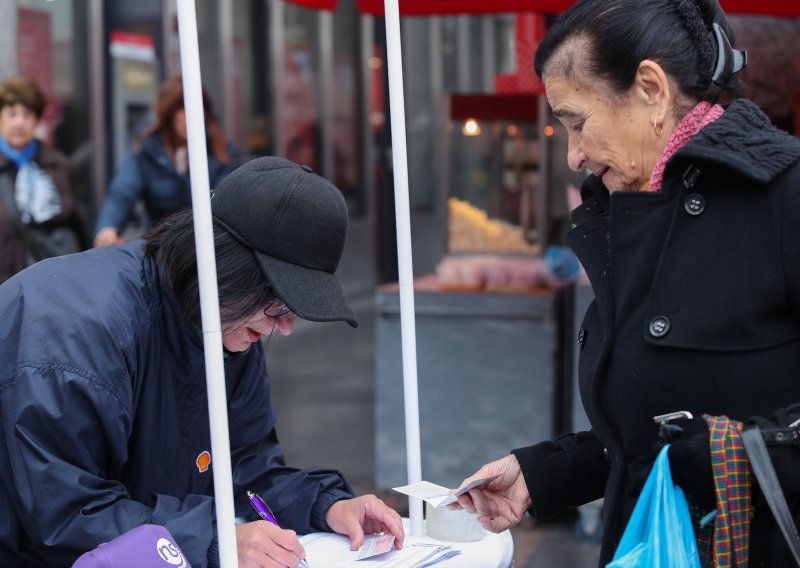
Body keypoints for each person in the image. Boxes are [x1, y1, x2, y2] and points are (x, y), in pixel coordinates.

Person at [449, 0, 800, 566]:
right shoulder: (625, 212)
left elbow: (697, 442)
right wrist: (540, 474)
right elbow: (648, 430)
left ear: (651, 89)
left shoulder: (785, 196)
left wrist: (742, 454)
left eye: (578, 123)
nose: (573, 155)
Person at [0, 156, 404, 567]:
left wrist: (328, 506)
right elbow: (68, 514)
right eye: (280, 303)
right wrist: (217, 540)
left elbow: (244, 466)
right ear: (228, 268)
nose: (285, 328)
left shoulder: (227, 324)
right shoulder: (79, 333)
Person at [93, 75, 238, 247]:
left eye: (198, 107)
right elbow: (121, 193)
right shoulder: (147, 150)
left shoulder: (222, 151)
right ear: (168, 113)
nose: (190, 115)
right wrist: (107, 229)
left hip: (213, 249)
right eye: (181, 108)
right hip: (161, 248)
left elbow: (235, 204)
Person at [0, 75, 84, 284]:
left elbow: (73, 222)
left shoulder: (57, 165)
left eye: (27, 115)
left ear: (36, 121)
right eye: (12, 114)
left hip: (48, 283)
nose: (19, 123)